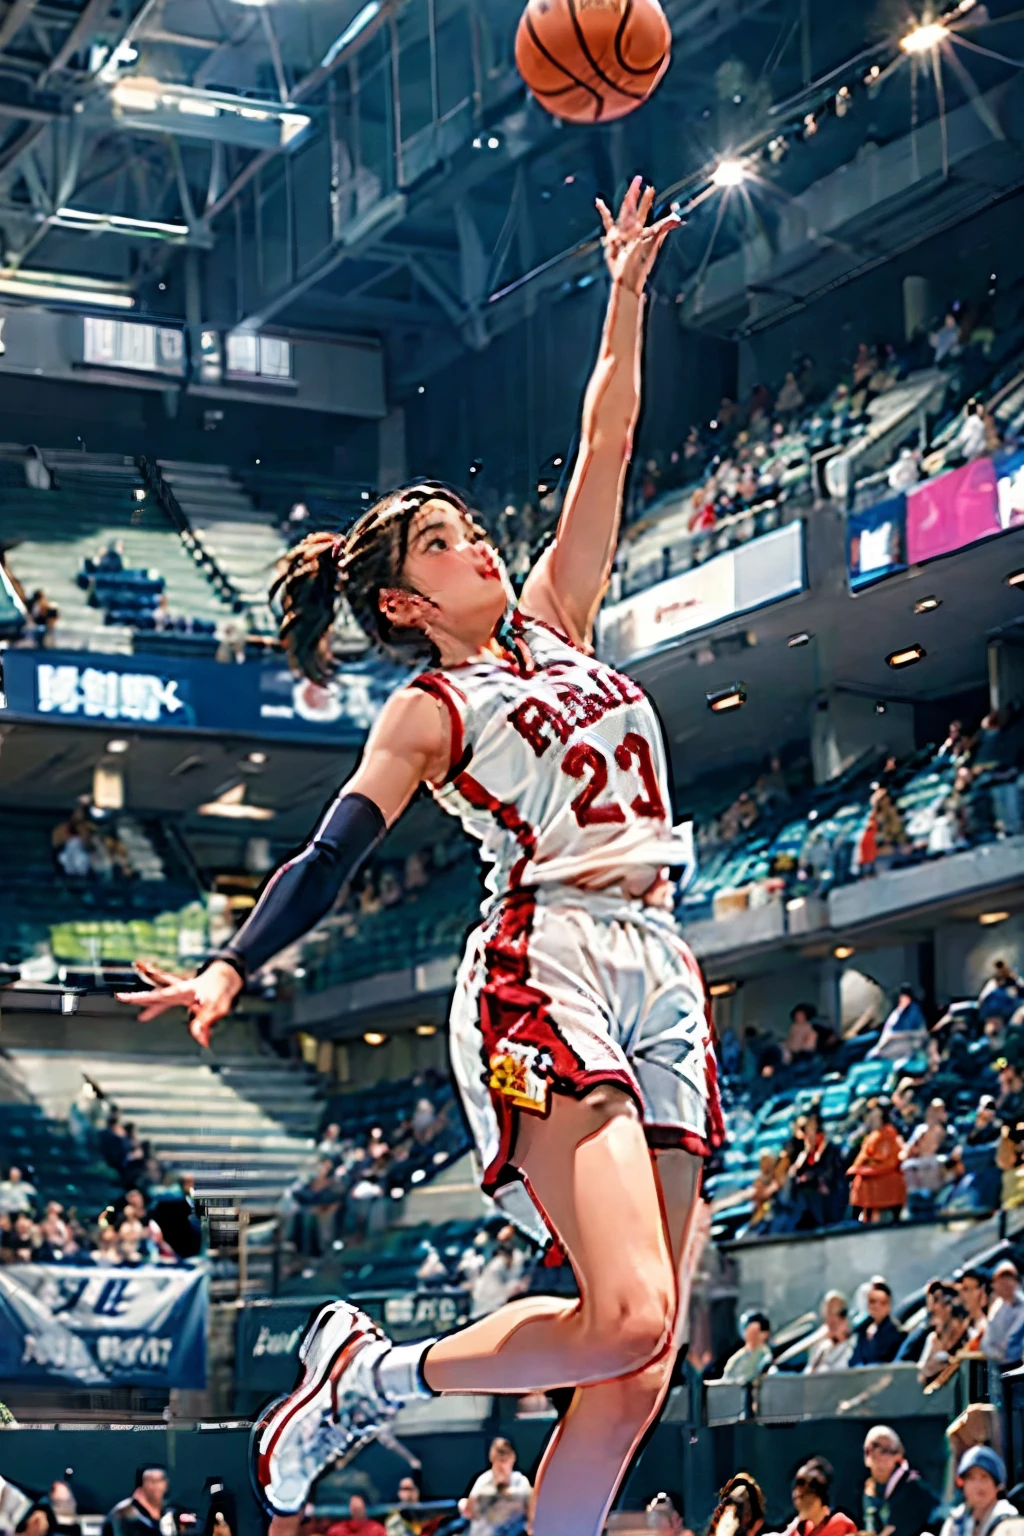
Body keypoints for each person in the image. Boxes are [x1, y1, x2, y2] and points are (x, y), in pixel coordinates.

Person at [119, 180, 713, 1536]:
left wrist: (624, 289)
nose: (478, 541)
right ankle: (373, 1377)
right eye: (442, 542)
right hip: (545, 958)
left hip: (664, 960)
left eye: (467, 523)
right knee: (622, 1307)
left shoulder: (561, 615)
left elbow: (606, 440)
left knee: (642, 1356)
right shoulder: (430, 708)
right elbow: (330, 857)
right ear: (401, 602)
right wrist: (227, 967)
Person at [862, 1426, 938, 1536]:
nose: (876, 1454)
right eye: (870, 1448)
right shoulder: (869, 1490)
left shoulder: (915, 1489)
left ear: (899, 1455)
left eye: (884, 1450)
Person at [849, 1101, 907, 1223]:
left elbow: (889, 1162)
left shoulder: (889, 1134)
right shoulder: (871, 1136)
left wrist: (866, 1169)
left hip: (885, 1184)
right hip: (870, 1185)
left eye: (875, 1116)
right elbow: (861, 1159)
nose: (872, 1119)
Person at [460, 1439, 532, 1536]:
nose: (502, 1466)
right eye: (499, 1460)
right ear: (492, 1458)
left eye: (505, 1461)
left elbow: (531, 1513)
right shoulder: (483, 1482)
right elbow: (471, 1510)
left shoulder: (521, 1483)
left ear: (513, 1458)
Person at [939, 1447, 1017, 1536]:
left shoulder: (1008, 1520)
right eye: (971, 1478)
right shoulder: (956, 1521)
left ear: (998, 1485)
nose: (977, 1485)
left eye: (984, 1477)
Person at [785, 1458, 857, 1536]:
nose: (798, 1504)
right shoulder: (798, 1531)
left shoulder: (841, 1524)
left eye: (802, 1497)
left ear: (818, 1497)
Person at [102, 1468, 178, 1536]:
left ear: (166, 1484)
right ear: (143, 1484)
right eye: (151, 1481)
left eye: (159, 1481)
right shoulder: (123, 1513)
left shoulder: (168, 1512)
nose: (156, 1486)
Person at [850, 1279, 905, 1366]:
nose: (877, 1306)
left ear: (889, 1305)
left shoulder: (897, 1333)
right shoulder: (863, 1332)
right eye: (872, 1301)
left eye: (882, 1302)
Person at [982, 1259, 1024, 1367]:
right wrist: (997, 1354)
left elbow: (1012, 1339)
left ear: (1017, 1282)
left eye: (1009, 1278)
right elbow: (987, 1343)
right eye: (1001, 1280)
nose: (1005, 1284)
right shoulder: (996, 1308)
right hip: (1002, 1366)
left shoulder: (1021, 1305)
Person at [805, 1292, 854, 1373]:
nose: (831, 1320)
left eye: (837, 1315)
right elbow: (808, 1375)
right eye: (828, 1314)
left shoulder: (853, 1345)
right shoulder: (821, 1347)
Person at [720, 1312, 772, 1383]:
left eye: (755, 1331)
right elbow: (728, 1376)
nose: (752, 1335)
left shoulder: (765, 1355)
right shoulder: (738, 1356)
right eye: (748, 1330)